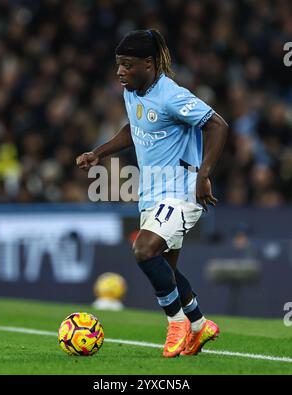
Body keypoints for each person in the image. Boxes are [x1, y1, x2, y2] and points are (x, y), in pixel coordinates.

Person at [76, 29, 228, 358]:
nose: (120, 72)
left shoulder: (171, 95)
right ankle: (201, 325)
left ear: (148, 63)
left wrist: (205, 176)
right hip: (151, 193)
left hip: (181, 191)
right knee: (166, 269)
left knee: (144, 249)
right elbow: (135, 127)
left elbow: (217, 125)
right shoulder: (132, 91)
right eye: (118, 65)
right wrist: (99, 152)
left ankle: (177, 323)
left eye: (127, 65)